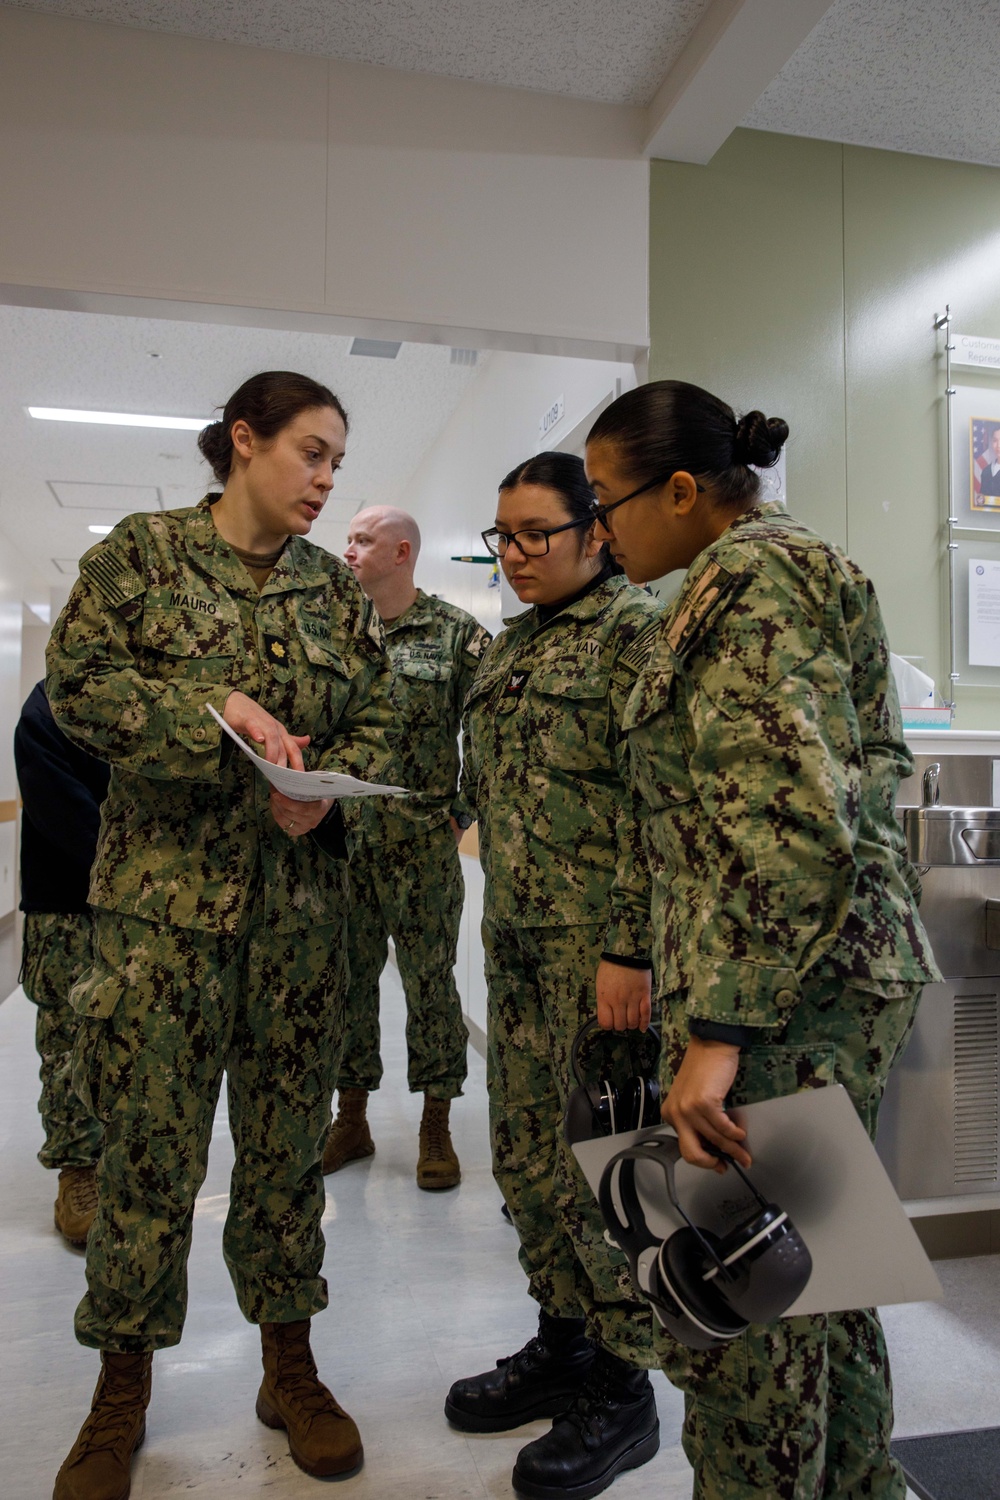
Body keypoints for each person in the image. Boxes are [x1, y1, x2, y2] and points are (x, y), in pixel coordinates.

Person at [584, 379, 941, 1500]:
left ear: (683, 491)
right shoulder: (765, 571)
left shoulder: (749, 580)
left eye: (608, 500)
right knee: (821, 1281)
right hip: (820, 970)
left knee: (748, 1311)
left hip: (788, 990)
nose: (601, 528)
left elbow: (779, 818)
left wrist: (720, 1032)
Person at [45, 370, 394, 1500]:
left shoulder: (335, 598)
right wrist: (212, 710)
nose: (327, 479)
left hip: (296, 924)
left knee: (286, 1156)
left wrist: (331, 791)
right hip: (161, 922)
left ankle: (288, 1363)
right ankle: (122, 1387)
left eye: (338, 460)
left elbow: (381, 714)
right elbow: (77, 688)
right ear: (243, 442)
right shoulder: (139, 559)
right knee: (149, 1156)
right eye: (310, 452)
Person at [445, 452, 663, 1500]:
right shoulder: (510, 650)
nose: (516, 555)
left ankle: (622, 1393)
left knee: (601, 1168)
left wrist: (629, 944)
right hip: (520, 949)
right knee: (528, 1163)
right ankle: (563, 1345)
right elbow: (484, 792)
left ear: (596, 530)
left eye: (537, 533)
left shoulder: (637, 635)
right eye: (502, 536)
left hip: (600, 962)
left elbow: (657, 803)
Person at [326, 506, 491, 1188]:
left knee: (430, 987)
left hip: (423, 844)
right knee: (349, 987)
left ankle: (435, 1123)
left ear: (400, 551)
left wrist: (461, 812)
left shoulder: (455, 634)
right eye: (348, 539)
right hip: (348, 839)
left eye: (361, 540)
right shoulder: (335, 632)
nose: (348, 550)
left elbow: (489, 729)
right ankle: (352, 1119)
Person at [14, 681, 109, 1247]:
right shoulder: (47, 708)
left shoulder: (149, 699)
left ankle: (122, 1164)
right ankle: (77, 1171)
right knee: (68, 1039)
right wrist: (126, 862)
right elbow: (58, 806)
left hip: (144, 907)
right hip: (66, 905)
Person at [979, 425, 1000, 495]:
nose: (998, 445)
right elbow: (982, 501)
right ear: (991, 442)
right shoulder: (986, 471)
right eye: (995, 441)